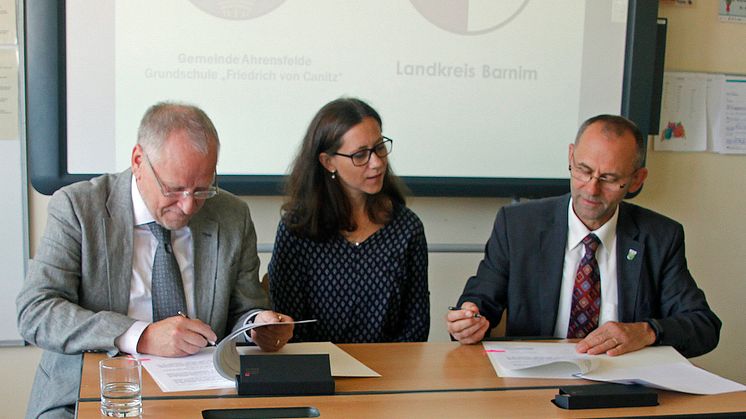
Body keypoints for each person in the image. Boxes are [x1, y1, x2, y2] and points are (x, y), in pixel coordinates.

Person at [16, 102, 294, 418]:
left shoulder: (232, 216)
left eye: (202, 190)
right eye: (174, 189)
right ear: (138, 161)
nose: (189, 206)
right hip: (91, 394)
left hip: (203, 396)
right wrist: (141, 336)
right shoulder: (78, 208)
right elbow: (36, 311)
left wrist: (256, 326)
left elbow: (244, 309)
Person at [446, 114, 721, 358]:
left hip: (624, 385)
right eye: (583, 171)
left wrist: (646, 331)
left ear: (637, 180)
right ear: (570, 157)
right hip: (534, 382)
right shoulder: (518, 225)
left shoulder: (660, 236)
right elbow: (481, 301)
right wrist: (471, 320)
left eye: (610, 178)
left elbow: (704, 326)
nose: (591, 189)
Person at [267, 97, 429, 343]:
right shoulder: (297, 229)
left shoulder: (407, 228)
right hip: (317, 371)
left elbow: (416, 326)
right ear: (328, 162)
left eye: (379, 148)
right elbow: (289, 326)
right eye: (361, 155)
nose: (376, 163)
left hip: (392, 373)